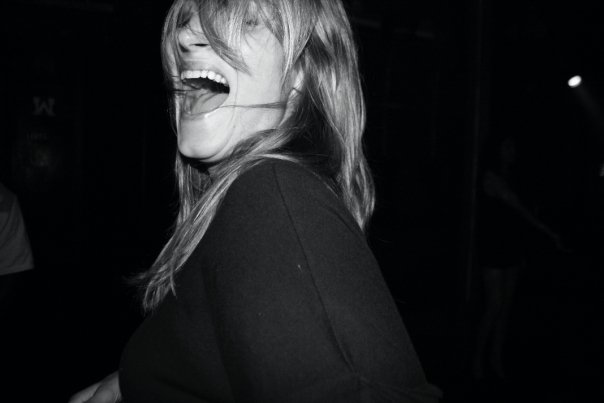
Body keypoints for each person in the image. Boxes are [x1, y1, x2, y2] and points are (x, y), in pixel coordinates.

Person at [70, 0, 442, 402]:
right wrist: (139, 381)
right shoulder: (246, 208)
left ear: (300, 76)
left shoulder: (273, 194)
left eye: (245, 20)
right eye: (186, 20)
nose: (185, 36)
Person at [472, 136, 564, 380]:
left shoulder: (512, 176)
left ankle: (496, 359)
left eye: (512, 146)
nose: (512, 150)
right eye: (507, 146)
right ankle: (477, 359)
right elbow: (519, 208)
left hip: (511, 248)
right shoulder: (491, 177)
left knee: (506, 308)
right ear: (497, 150)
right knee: (494, 305)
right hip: (493, 249)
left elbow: (516, 218)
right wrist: (549, 232)